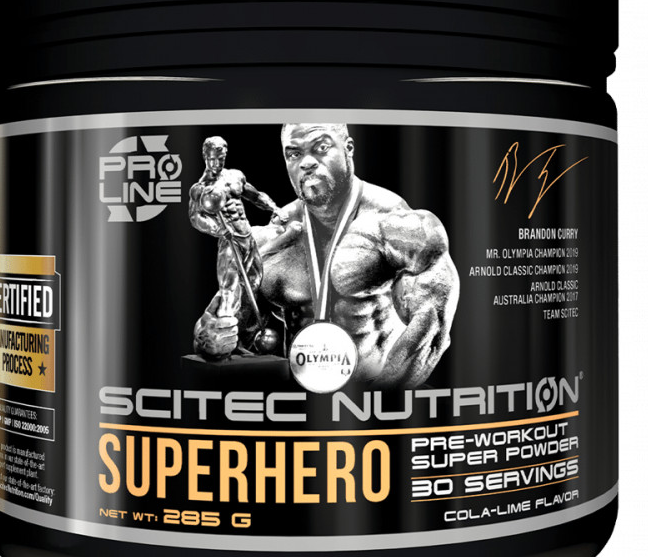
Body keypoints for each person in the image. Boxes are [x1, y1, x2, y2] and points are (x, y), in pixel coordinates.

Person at [196, 123, 459, 387]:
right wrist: (212, 340)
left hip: (378, 395)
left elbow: (432, 330)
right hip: (301, 401)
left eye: (321, 147)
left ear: (348, 148)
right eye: (294, 154)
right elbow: (225, 327)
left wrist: (379, 400)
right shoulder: (274, 238)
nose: (306, 162)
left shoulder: (396, 224)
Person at [189, 136, 280, 359]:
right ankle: (223, 342)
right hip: (229, 242)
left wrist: (273, 207)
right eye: (212, 159)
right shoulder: (201, 189)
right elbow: (195, 217)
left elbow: (255, 196)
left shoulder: (235, 176)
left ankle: (244, 340)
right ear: (205, 157)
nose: (216, 163)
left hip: (247, 237)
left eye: (220, 159)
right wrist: (217, 229)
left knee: (253, 287)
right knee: (230, 291)